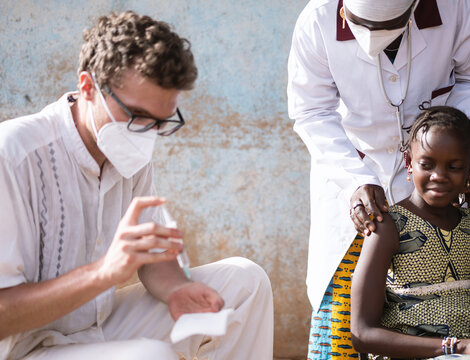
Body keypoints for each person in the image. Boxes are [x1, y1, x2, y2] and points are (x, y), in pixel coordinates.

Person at [0, 11, 273, 360]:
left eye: (161, 122)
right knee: (149, 357)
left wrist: (177, 289)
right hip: (23, 348)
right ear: (87, 87)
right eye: (136, 115)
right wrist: (103, 273)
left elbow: (153, 257)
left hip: (96, 328)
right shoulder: (14, 155)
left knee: (245, 282)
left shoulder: (130, 150)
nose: (147, 133)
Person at [287, 0, 470, 357]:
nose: (373, 38)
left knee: (426, 304)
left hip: (425, 165)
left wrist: (457, 160)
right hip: (351, 162)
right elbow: (311, 110)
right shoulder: (317, 19)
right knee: (342, 319)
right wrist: (354, 178)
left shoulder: (458, 7)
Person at [350, 106, 470, 360]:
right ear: (408, 163)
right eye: (426, 164)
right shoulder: (388, 226)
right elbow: (362, 334)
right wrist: (457, 347)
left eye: (454, 166)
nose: (438, 176)